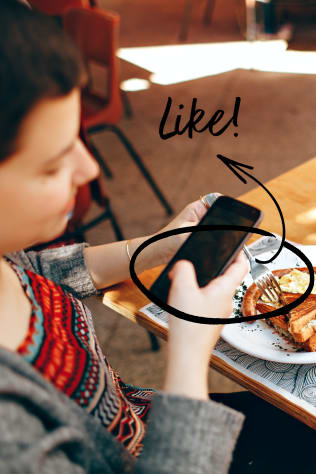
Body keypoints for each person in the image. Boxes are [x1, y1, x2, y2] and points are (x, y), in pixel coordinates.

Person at [0, 2, 248, 473]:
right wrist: (190, 350)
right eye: (52, 164)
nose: (89, 169)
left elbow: (34, 273)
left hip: (143, 415)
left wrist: (159, 244)